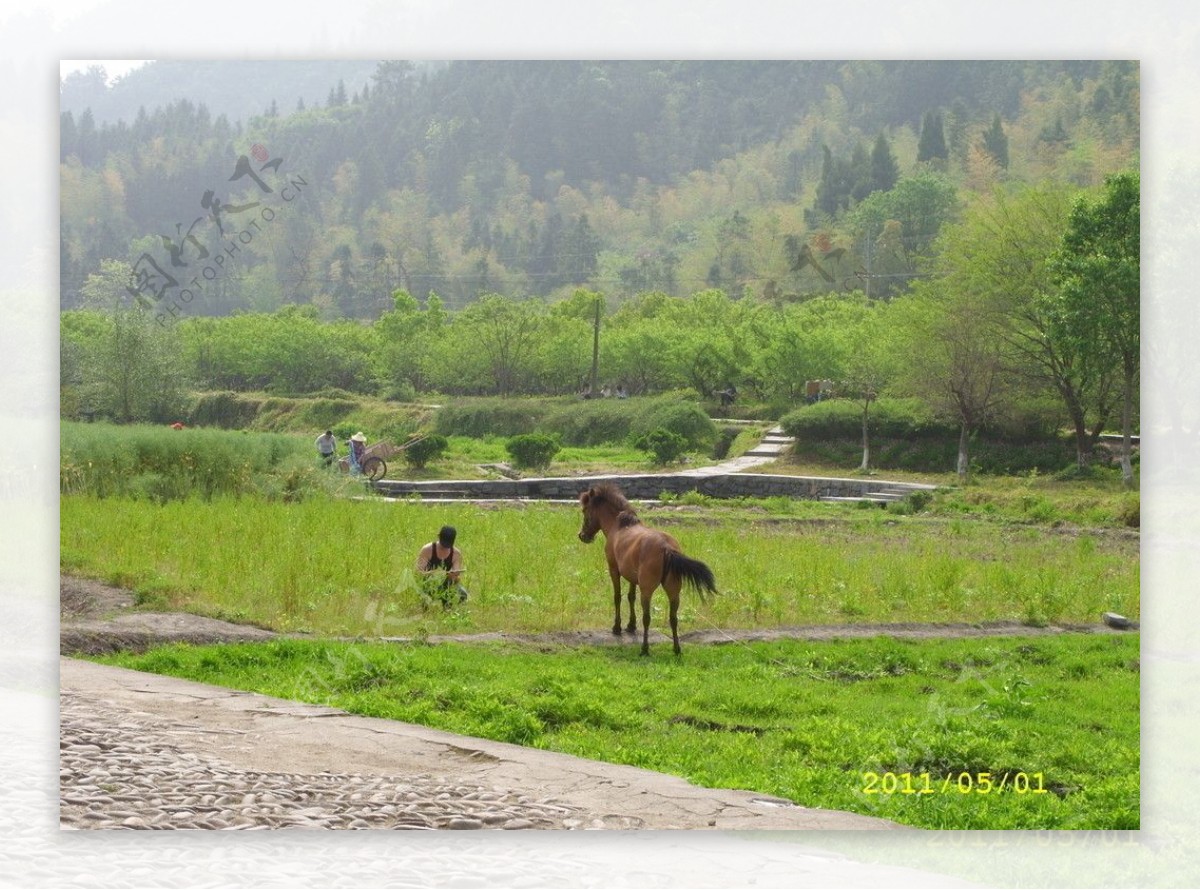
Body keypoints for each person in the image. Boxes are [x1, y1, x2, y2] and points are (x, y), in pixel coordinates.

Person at [415, 525, 468, 607]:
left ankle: (449, 610)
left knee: (463, 593)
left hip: (447, 583)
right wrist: (433, 573)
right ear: (438, 536)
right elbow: (418, 572)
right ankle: (426, 608)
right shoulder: (427, 549)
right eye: (443, 544)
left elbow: (456, 577)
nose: (445, 547)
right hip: (429, 582)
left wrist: (452, 576)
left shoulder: (456, 553)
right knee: (427, 592)